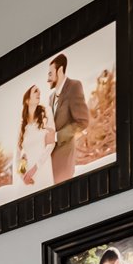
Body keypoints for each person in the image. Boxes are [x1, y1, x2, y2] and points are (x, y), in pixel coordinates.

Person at [47, 53, 91, 184]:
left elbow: (82, 121)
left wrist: (56, 136)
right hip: (49, 162)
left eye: (50, 74)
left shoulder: (74, 86)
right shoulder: (51, 97)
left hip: (65, 159)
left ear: (59, 70)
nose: (47, 79)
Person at [16, 85, 55, 189]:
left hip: (43, 170)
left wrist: (35, 168)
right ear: (27, 100)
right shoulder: (22, 127)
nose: (39, 92)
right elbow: (19, 155)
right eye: (35, 91)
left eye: (39, 90)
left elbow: (51, 145)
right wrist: (23, 175)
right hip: (27, 178)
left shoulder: (46, 112)